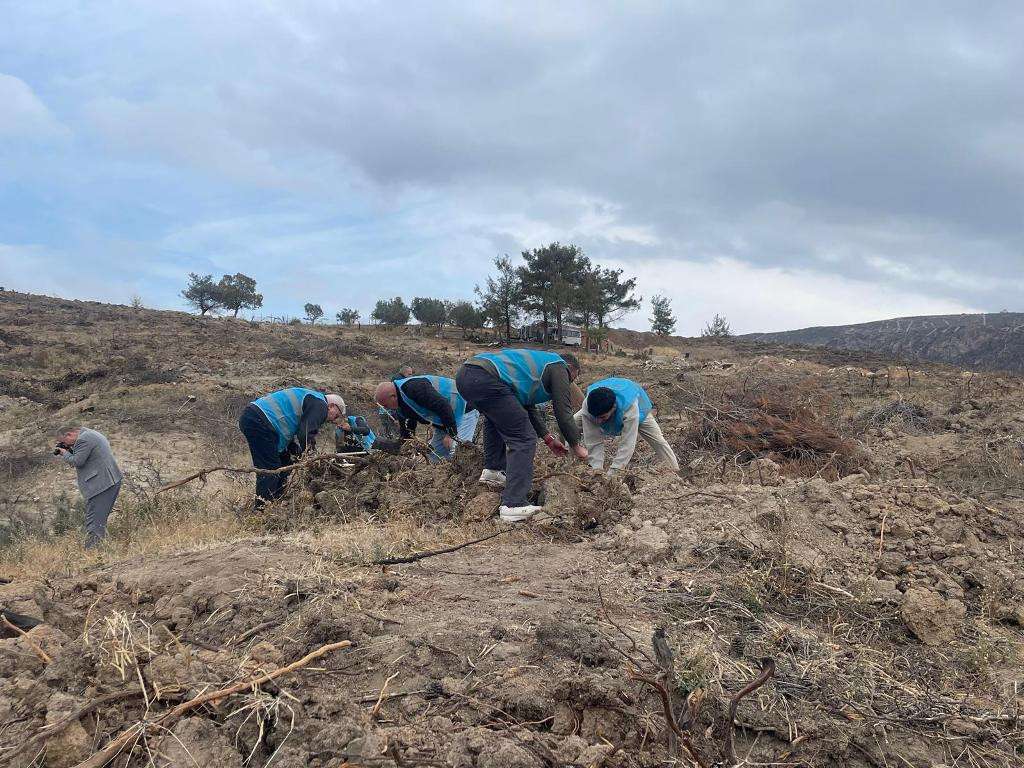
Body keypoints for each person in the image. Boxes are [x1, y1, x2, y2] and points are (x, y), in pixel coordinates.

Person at [455, 349, 587, 522]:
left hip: (467, 375)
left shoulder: (532, 372)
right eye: (571, 378)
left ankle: (493, 471)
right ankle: (514, 504)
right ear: (569, 367)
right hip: (486, 377)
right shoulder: (559, 366)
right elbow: (563, 411)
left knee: (495, 418)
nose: (569, 382)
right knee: (525, 438)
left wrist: (548, 439)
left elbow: (525, 407)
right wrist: (576, 445)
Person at [238, 388, 346, 509]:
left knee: (286, 462)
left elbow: (294, 428)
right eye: (336, 415)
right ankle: (261, 512)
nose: (333, 420)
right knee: (270, 469)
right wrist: (313, 457)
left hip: (258, 419)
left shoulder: (311, 398)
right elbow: (304, 434)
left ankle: (274, 502)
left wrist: (298, 451)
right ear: (331, 406)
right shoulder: (321, 404)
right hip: (260, 421)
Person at [576, 378, 679, 474]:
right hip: (601, 405)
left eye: (602, 417)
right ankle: (567, 461)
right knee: (571, 423)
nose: (598, 421)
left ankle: (675, 472)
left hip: (640, 411)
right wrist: (597, 471)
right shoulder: (588, 407)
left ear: (614, 408)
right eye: (596, 417)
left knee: (659, 441)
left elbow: (627, 444)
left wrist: (613, 472)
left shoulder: (630, 408)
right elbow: (593, 441)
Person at [374, 375, 479, 461]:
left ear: (393, 396)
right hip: (446, 420)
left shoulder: (415, 388)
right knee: (434, 456)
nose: (386, 409)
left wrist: (451, 434)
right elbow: (408, 428)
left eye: (386, 405)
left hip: (464, 410)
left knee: (459, 454)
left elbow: (443, 406)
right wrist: (404, 445)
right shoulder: (401, 404)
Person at [54, 425, 122, 548]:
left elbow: (77, 461)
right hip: (109, 480)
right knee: (99, 520)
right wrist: (70, 450)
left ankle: (93, 552)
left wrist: (64, 453)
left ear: (69, 434)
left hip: (101, 485)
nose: (65, 444)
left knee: (94, 521)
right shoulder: (91, 433)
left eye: (63, 442)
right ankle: (104, 548)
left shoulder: (83, 439)